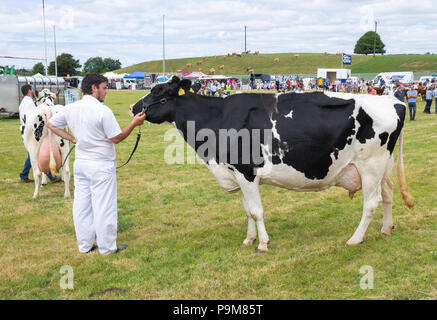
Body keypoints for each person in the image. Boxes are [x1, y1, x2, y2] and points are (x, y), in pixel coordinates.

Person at [47, 73, 146, 256]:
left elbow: (51, 124)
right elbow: (116, 138)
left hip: (82, 164)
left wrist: (72, 139)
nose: (106, 91)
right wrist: (134, 123)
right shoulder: (103, 111)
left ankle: (84, 245)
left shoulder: (71, 108)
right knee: (104, 206)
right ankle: (107, 248)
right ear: (94, 88)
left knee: (82, 206)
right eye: (104, 87)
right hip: (100, 165)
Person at [18, 84, 61, 183]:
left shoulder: (25, 102)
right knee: (36, 154)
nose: (33, 91)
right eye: (32, 90)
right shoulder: (29, 103)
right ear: (29, 91)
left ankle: (24, 175)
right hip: (32, 131)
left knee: (33, 153)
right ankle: (50, 176)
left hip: (28, 130)